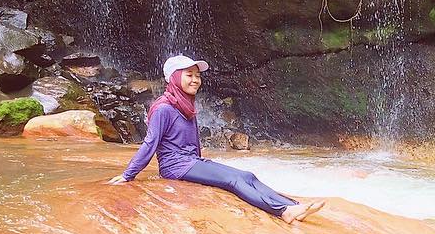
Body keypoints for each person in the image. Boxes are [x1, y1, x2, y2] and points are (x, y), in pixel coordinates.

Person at [106, 55, 324, 224]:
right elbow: (150, 143)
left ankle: (294, 205)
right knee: (233, 180)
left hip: (191, 162)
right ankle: (283, 212)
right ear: (174, 77)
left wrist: (203, 165)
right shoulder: (163, 108)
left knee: (247, 175)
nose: (196, 80)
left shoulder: (184, 104)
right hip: (177, 166)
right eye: (189, 74)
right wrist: (128, 175)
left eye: (197, 75)